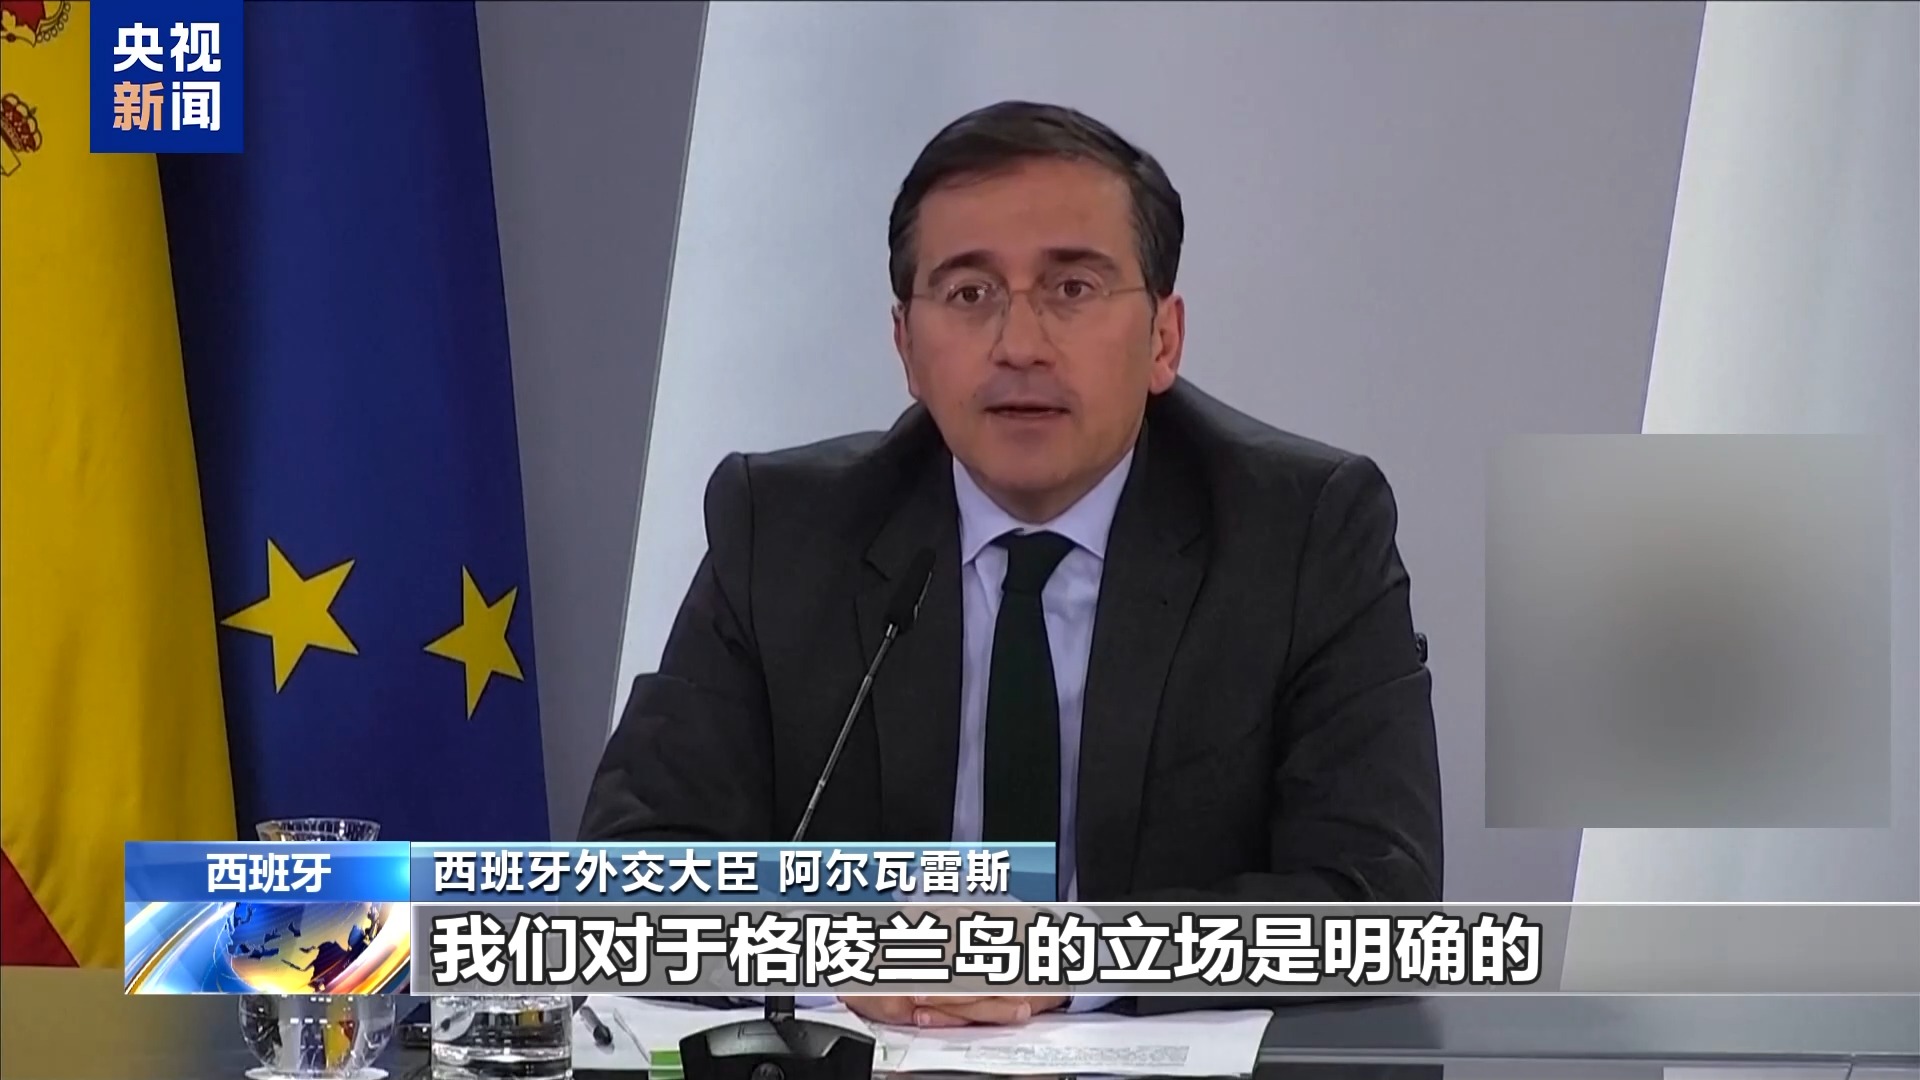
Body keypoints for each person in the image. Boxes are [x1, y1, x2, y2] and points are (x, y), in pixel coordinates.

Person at [580, 100, 1443, 1027]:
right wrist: (842, 947)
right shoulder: (785, 530)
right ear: (907, 347)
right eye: (968, 294)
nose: (1020, 346)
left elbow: (1379, 905)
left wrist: (1066, 957)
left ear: (1163, 339)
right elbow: (629, 875)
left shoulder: (1304, 531)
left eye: (1072, 288)